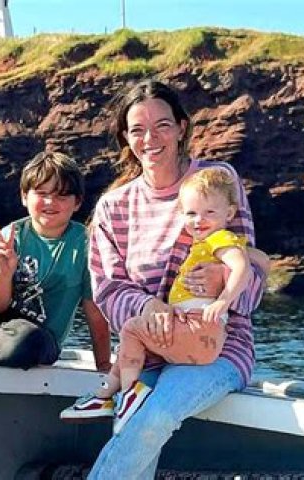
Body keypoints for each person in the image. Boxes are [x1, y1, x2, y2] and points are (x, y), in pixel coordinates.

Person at [77, 79, 267, 479]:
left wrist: (221, 282)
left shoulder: (216, 181)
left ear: (181, 128)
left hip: (215, 348)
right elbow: (108, 290)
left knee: (156, 414)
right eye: (137, 130)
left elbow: (249, 285)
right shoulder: (113, 207)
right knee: (131, 422)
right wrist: (150, 307)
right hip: (145, 352)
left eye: (162, 125)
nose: (150, 139)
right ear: (125, 138)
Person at [61, 168, 270, 431]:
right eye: (191, 214)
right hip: (189, 330)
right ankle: (106, 395)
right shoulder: (204, 242)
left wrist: (223, 300)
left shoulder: (219, 239)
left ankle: (126, 394)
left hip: (199, 332)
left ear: (229, 213)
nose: (199, 220)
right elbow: (260, 260)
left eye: (209, 213)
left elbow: (244, 269)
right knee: (134, 340)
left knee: (132, 331)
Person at [0, 152, 112, 371]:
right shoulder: (9, 237)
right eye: (42, 193)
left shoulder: (86, 245)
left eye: (62, 196)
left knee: (27, 339)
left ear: (77, 202)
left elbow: (94, 310)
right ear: (24, 196)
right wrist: (4, 273)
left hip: (35, 340)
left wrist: (103, 364)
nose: (50, 202)